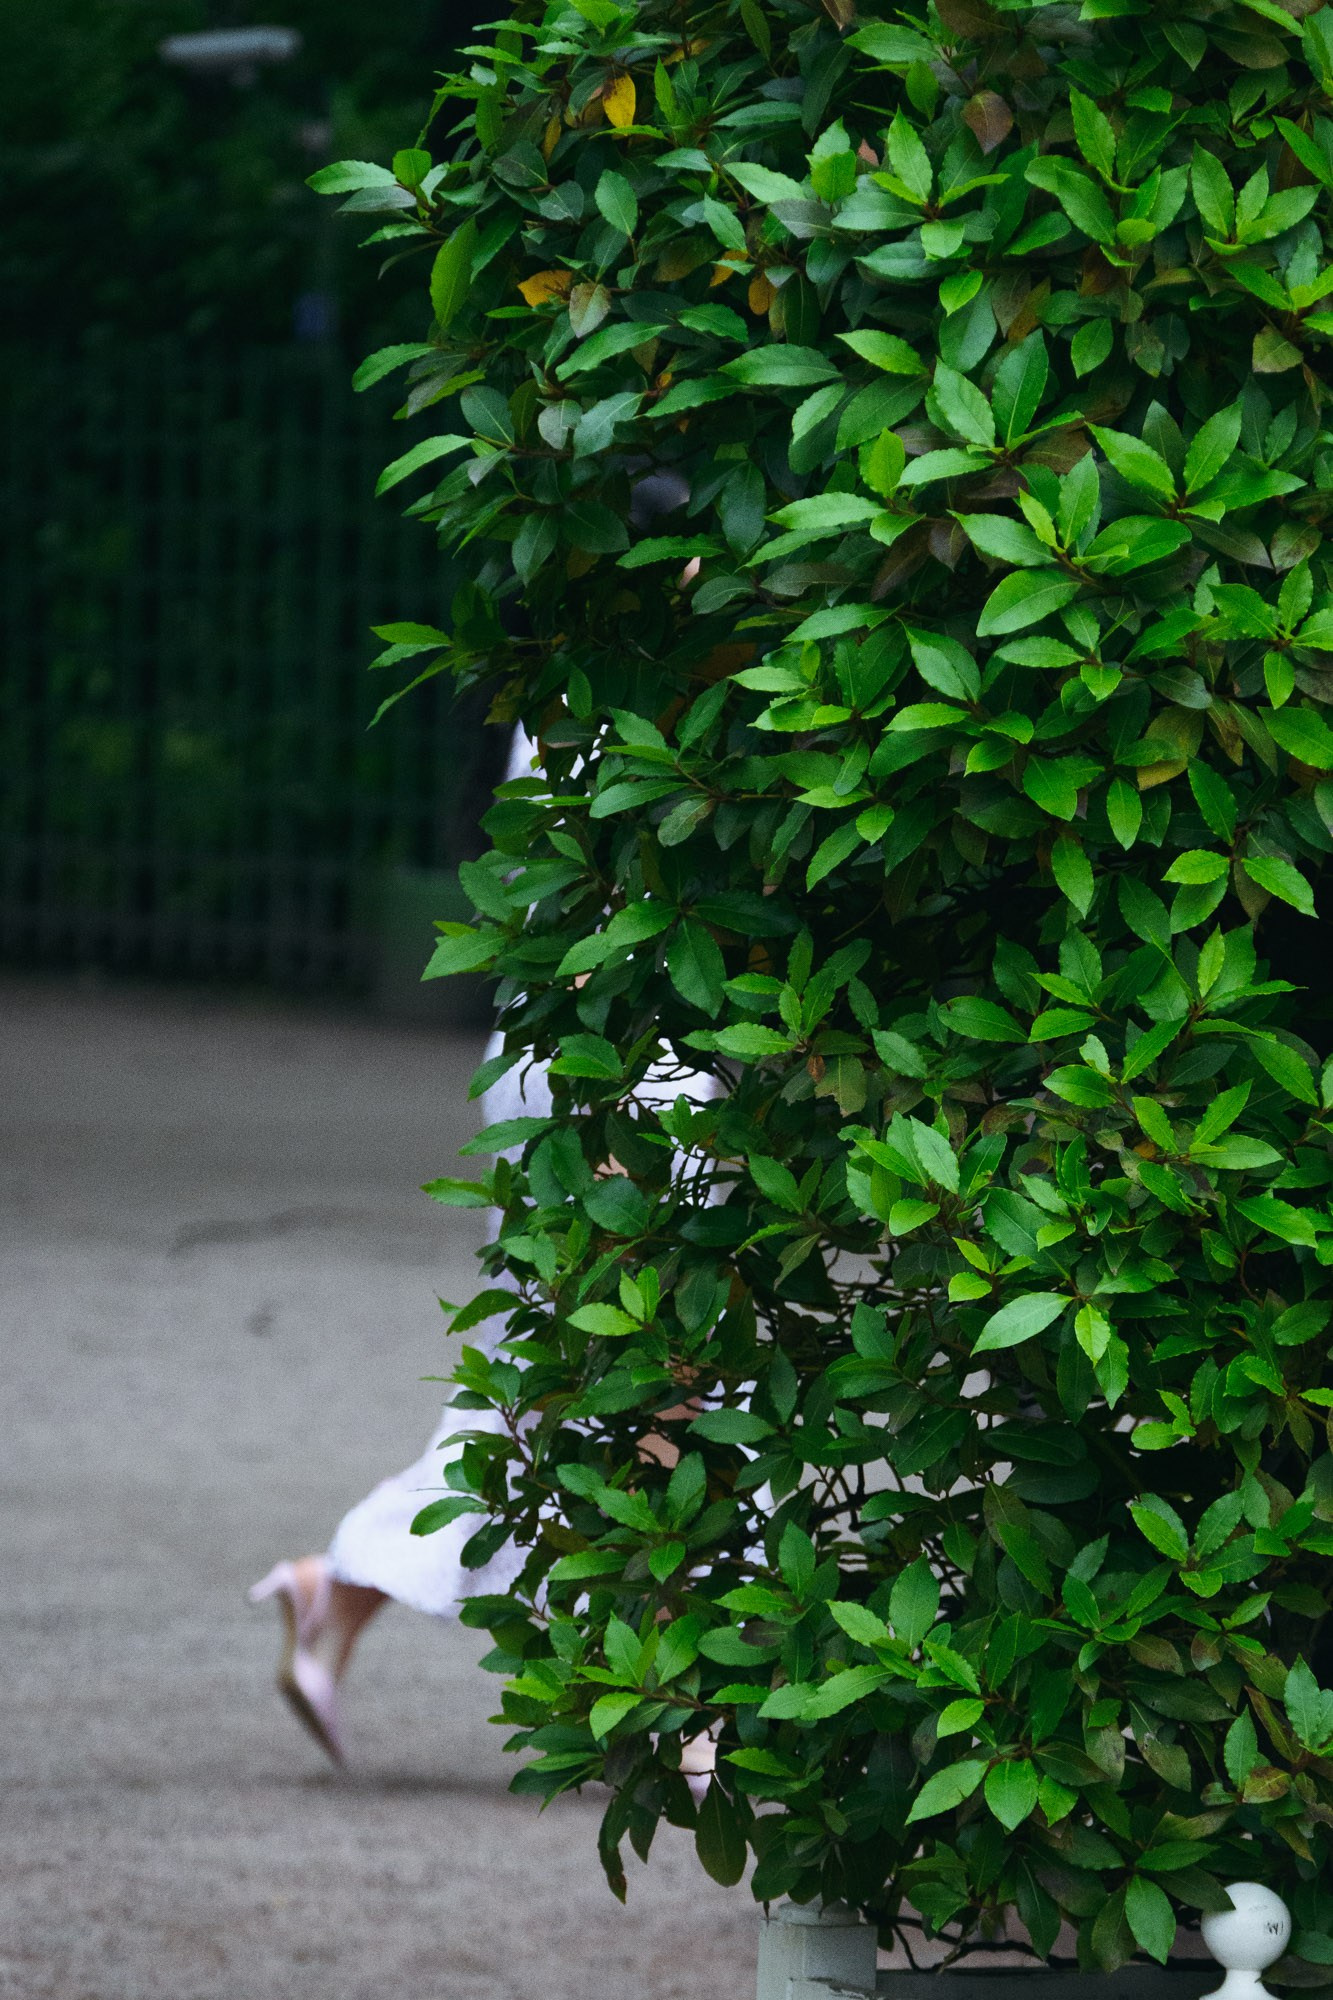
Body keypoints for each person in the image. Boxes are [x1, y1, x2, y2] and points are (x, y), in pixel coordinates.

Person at [249, 727, 719, 1767]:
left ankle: (337, 1586)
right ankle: (671, 1684)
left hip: (556, 1036)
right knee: (660, 1364)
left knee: (544, 1368)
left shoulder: (567, 667)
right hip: (640, 1043)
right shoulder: (674, 667)